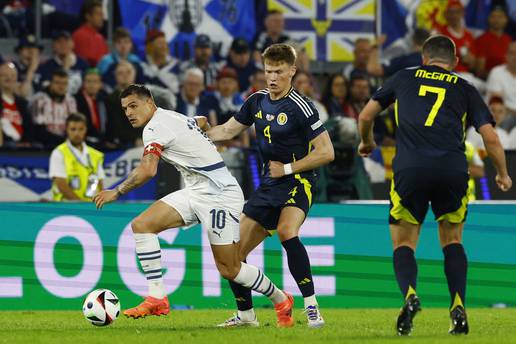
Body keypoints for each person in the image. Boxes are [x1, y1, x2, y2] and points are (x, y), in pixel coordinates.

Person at [92, 84, 295, 327]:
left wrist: (117, 190)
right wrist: (200, 130)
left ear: (150, 103)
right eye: (125, 108)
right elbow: (201, 121)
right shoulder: (172, 116)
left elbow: (148, 170)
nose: (129, 112)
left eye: (134, 106)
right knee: (142, 225)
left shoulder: (155, 127)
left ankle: (281, 299)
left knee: (229, 268)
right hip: (196, 190)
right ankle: (157, 297)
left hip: (220, 194)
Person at [357, 35, 512, 336]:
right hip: (453, 170)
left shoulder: (404, 77)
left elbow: (366, 115)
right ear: (454, 63)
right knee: (452, 240)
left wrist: (367, 141)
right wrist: (503, 174)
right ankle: (458, 306)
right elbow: (490, 137)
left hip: (410, 169)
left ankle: (411, 296)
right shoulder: (465, 88)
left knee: (404, 243)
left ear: (424, 59)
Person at [207, 44, 334, 328]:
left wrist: (288, 168)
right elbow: (227, 130)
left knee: (288, 232)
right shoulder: (256, 101)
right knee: (232, 255)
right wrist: (195, 132)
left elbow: (327, 152)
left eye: (278, 71)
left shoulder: (301, 106)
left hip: (298, 181)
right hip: (268, 185)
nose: (272, 77)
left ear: (292, 71)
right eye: (268, 71)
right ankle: (246, 315)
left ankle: (312, 307)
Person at [49, 113, 104, 201]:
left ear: (86, 129)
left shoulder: (95, 155)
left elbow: (100, 185)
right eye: (73, 129)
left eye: (81, 129)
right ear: (67, 130)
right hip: (66, 207)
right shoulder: (59, 153)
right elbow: (61, 184)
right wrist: (80, 205)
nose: (77, 133)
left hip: (90, 208)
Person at [30, 69, 78, 147]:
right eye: (57, 83)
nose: (61, 87)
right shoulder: (40, 100)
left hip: (65, 143)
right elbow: (39, 131)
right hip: (45, 145)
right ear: (50, 83)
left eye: (64, 83)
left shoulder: (71, 101)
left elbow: (74, 126)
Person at [36, 31, 89, 95]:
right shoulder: (46, 66)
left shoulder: (83, 63)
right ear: (53, 46)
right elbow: (48, 90)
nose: (63, 44)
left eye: (66, 41)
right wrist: (65, 68)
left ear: (72, 44)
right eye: (59, 42)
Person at [97, 27, 145, 91]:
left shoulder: (136, 60)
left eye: (126, 42)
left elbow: (141, 82)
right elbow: (100, 81)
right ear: (114, 45)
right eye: (119, 42)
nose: (123, 46)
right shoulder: (106, 61)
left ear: (131, 44)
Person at [0, 62, 33, 148]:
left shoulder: (22, 103)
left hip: (22, 149)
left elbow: (29, 128)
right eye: (4, 75)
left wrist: (25, 142)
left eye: (12, 75)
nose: (9, 78)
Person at [474, 5, 512, 79]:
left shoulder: (509, 40)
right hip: (491, 80)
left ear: (506, 19)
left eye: (500, 17)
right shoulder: (482, 40)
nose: (496, 20)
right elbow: (479, 72)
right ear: (488, 18)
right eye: (493, 16)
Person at [72, 0, 108, 66]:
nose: (102, 18)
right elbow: (85, 64)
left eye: (102, 14)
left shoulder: (101, 38)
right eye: (98, 14)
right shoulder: (80, 35)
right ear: (88, 16)